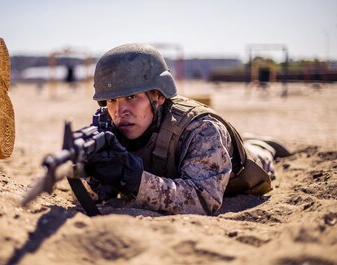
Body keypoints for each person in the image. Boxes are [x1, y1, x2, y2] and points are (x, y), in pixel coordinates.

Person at [84, 43, 290, 215]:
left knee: (259, 154)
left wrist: (136, 181)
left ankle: (259, 144)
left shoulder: (202, 129)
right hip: (181, 165)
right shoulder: (110, 128)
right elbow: (99, 195)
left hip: (237, 169)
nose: (120, 111)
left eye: (131, 97)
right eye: (111, 100)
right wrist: (89, 172)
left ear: (158, 96)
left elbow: (203, 200)